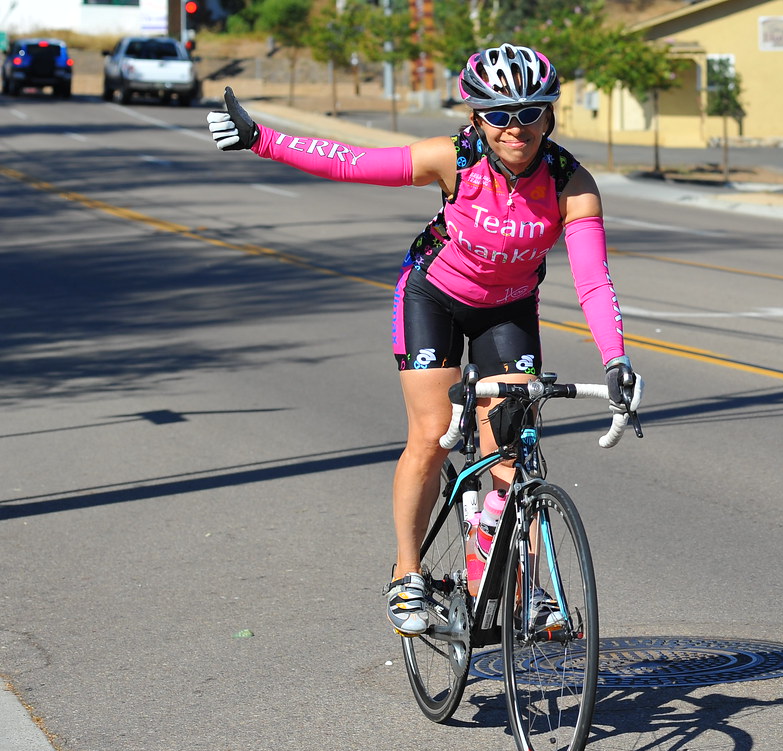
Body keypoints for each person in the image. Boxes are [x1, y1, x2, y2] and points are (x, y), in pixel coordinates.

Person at [207, 43, 641, 637]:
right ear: (476, 119)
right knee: (433, 435)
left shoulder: (573, 183)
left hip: (507, 310)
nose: (516, 129)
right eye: (499, 115)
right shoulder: (453, 160)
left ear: (551, 116)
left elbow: (593, 280)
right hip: (432, 298)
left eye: (531, 113)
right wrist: (263, 139)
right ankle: (407, 573)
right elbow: (353, 162)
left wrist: (615, 358)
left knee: (513, 456)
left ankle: (525, 588)